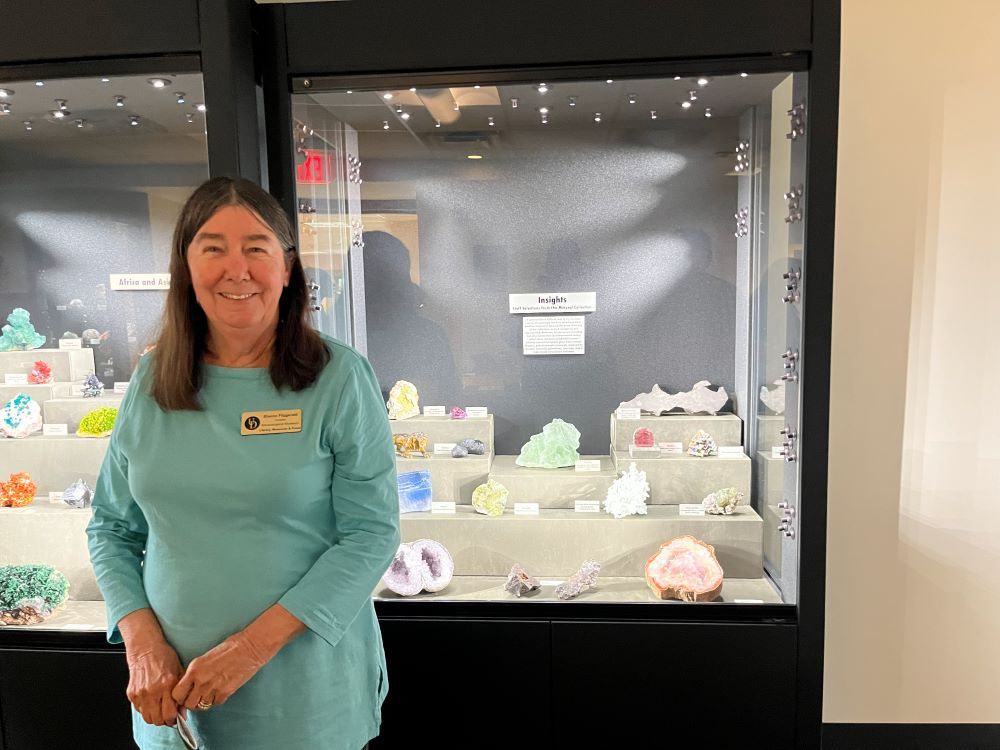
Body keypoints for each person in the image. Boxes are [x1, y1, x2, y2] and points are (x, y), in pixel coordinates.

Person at [86, 176, 400, 750]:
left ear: (287, 267)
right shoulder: (151, 381)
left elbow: (371, 535)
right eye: (213, 248)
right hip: (170, 698)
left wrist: (249, 649)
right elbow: (111, 527)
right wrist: (141, 640)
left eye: (256, 248)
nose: (238, 269)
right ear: (186, 267)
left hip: (304, 698)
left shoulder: (339, 378)